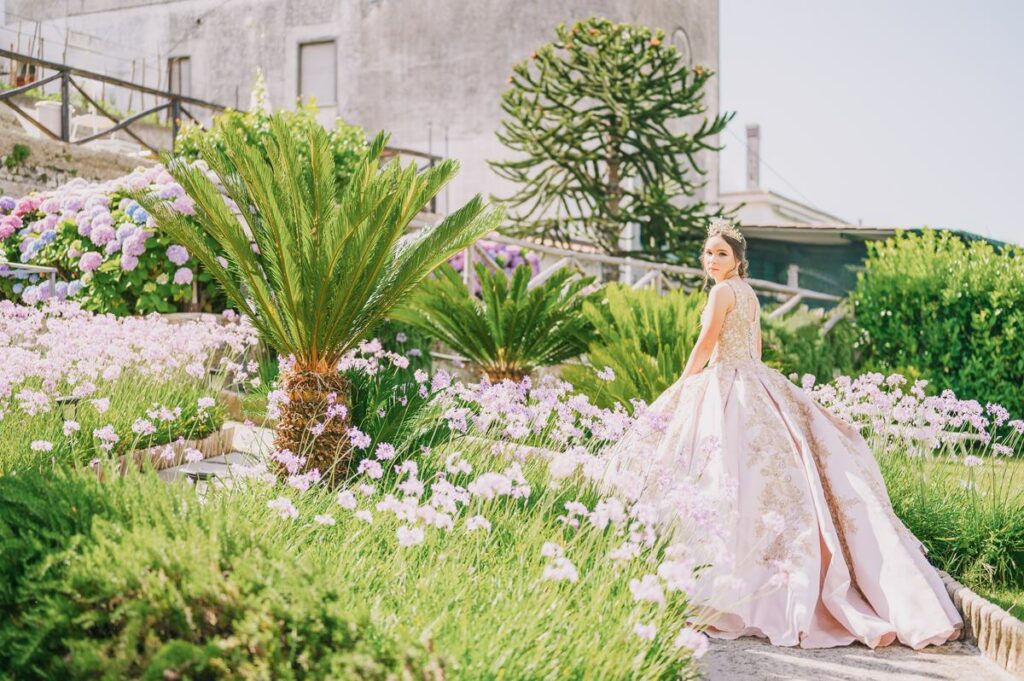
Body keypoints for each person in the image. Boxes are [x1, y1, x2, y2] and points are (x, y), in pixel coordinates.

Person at [599, 218, 963, 649]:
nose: (712, 260)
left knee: (722, 471)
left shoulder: (721, 292)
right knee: (759, 476)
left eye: (721, 254)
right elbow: (753, 348)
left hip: (728, 381)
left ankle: (720, 583)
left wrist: (683, 384)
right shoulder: (749, 294)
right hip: (754, 380)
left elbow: (706, 343)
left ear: (737, 260)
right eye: (708, 252)